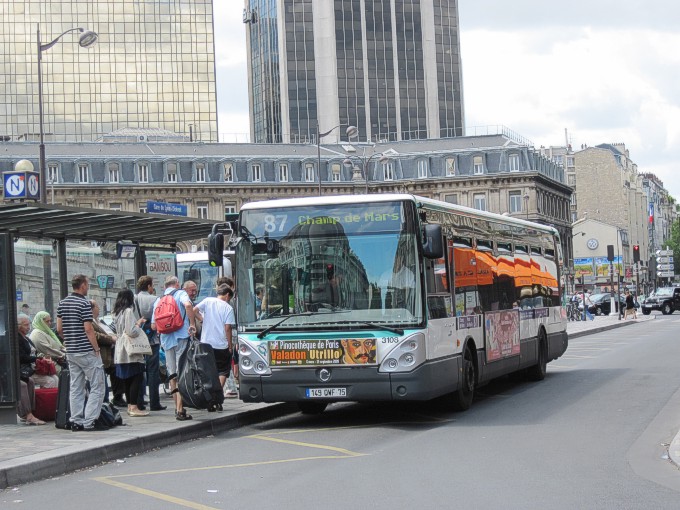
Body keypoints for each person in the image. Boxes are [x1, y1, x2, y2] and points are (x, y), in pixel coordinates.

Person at [57, 274, 107, 431]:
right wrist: (96, 348)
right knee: (98, 385)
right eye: (87, 284)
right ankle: (89, 420)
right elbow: (88, 329)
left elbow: (59, 329)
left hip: (71, 351)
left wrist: (70, 339)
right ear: (83, 285)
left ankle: (76, 420)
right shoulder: (84, 304)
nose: (88, 287)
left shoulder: (62, 303)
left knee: (76, 386)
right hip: (86, 351)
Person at [152, 275, 196, 421]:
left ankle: (177, 407)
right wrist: (192, 324)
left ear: (165, 286)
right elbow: (188, 306)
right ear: (177, 284)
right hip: (181, 337)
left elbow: (153, 325)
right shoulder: (181, 294)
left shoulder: (158, 300)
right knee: (182, 372)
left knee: (172, 374)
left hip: (166, 339)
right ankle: (180, 409)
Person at [194, 284, 234, 409]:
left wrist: (202, 319)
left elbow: (194, 310)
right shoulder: (228, 308)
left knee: (208, 370)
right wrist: (230, 344)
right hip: (221, 344)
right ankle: (217, 396)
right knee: (223, 370)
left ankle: (209, 397)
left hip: (205, 343)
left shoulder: (207, 301)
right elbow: (228, 328)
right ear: (227, 295)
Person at [113, 289, 149, 417]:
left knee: (127, 379)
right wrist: (138, 324)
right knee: (136, 376)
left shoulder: (117, 313)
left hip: (120, 349)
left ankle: (130, 406)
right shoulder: (128, 311)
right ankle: (134, 407)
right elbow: (131, 331)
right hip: (130, 350)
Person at [136, 276, 166, 411]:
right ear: (149, 286)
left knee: (139, 369)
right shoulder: (155, 299)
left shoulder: (135, 299)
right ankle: (155, 402)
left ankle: (139, 400)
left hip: (137, 338)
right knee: (153, 370)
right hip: (152, 339)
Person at [18, 314, 58, 389]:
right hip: (27, 369)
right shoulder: (18, 338)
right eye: (26, 325)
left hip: (36, 367)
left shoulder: (26, 338)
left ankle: (54, 399)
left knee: (55, 378)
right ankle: (44, 400)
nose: (28, 327)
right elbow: (22, 357)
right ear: (18, 326)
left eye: (29, 324)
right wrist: (39, 359)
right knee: (50, 381)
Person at [90, 300, 117, 403]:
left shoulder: (100, 321)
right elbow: (95, 335)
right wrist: (111, 339)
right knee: (101, 380)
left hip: (110, 352)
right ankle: (104, 402)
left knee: (115, 373)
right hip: (101, 353)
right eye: (97, 306)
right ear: (91, 309)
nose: (99, 308)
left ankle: (116, 397)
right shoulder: (90, 322)